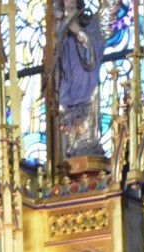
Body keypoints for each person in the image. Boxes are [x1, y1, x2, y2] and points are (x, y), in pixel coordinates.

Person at [51, 0, 106, 159]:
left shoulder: (90, 22)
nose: (68, 10)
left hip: (86, 80)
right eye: (65, 6)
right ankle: (71, 146)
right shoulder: (60, 28)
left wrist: (79, 32)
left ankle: (87, 144)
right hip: (68, 82)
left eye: (71, 5)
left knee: (86, 125)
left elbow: (96, 46)